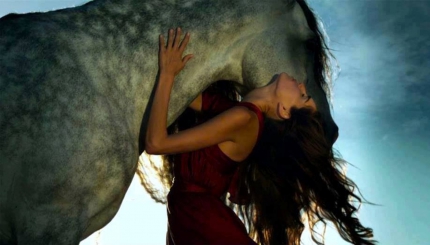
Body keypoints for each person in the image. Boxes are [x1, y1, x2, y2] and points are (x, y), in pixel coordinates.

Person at [144, 27, 378, 245]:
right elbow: (181, 95)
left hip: (201, 220)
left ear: (284, 110)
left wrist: (167, 72)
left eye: (304, 98)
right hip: (189, 216)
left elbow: (156, 143)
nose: (304, 87)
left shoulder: (244, 120)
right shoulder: (238, 113)